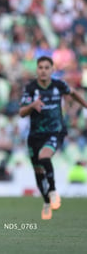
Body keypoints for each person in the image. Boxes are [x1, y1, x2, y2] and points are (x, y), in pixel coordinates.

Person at [19, 56, 87, 220]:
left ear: (52, 70)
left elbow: (74, 93)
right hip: (35, 135)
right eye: (40, 67)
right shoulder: (31, 88)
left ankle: (54, 191)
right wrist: (32, 106)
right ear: (37, 70)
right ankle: (46, 202)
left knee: (44, 156)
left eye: (46, 67)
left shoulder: (59, 85)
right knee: (38, 173)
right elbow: (21, 113)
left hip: (55, 131)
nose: (43, 70)